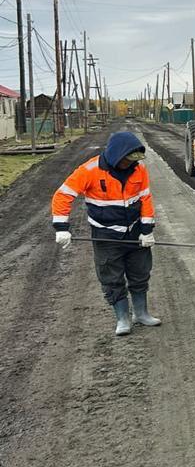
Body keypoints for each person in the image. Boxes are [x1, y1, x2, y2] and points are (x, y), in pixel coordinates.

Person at [51, 131, 161, 337]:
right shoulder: (89, 170)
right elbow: (63, 195)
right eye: (127, 160)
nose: (130, 164)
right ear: (116, 155)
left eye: (133, 160)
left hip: (134, 232)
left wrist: (147, 231)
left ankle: (141, 313)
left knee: (140, 272)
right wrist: (61, 228)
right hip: (105, 235)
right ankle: (122, 319)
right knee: (111, 277)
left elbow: (145, 198)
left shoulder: (139, 169)